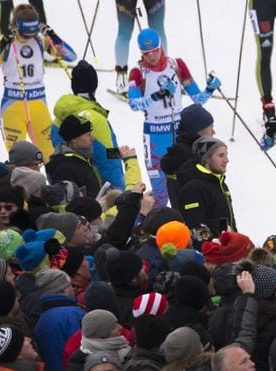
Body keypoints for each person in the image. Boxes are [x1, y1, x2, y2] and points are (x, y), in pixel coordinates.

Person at [126, 28, 220, 205]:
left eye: (155, 51)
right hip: (154, 135)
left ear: (161, 47)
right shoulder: (138, 72)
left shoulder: (176, 65)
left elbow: (197, 99)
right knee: (161, 194)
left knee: (187, 187)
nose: (152, 56)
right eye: (147, 54)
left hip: (179, 133)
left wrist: (210, 88)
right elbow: (133, 103)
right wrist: (157, 95)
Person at [0, 5, 77, 157]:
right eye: (25, 34)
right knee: (19, 158)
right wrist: (2, 43)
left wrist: (53, 36)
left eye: (32, 33)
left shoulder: (40, 40)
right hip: (12, 106)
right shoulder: (7, 41)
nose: (29, 38)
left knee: (49, 155)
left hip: (38, 105)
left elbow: (71, 56)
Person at [54, 58, 139, 191]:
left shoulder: (57, 118)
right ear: (94, 85)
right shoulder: (96, 119)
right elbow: (108, 160)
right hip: (96, 198)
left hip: (64, 193)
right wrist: (119, 194)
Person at [179, 137, 235, 238]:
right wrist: (214, 249)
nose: (226, 160)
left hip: (225, 247)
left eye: (226, 155)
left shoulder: (218, 182)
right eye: (221, 155)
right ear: (207, 158)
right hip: (210, 251)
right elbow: (196, 227)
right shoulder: (193, 189)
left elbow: (222, 219)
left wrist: (235, 240)